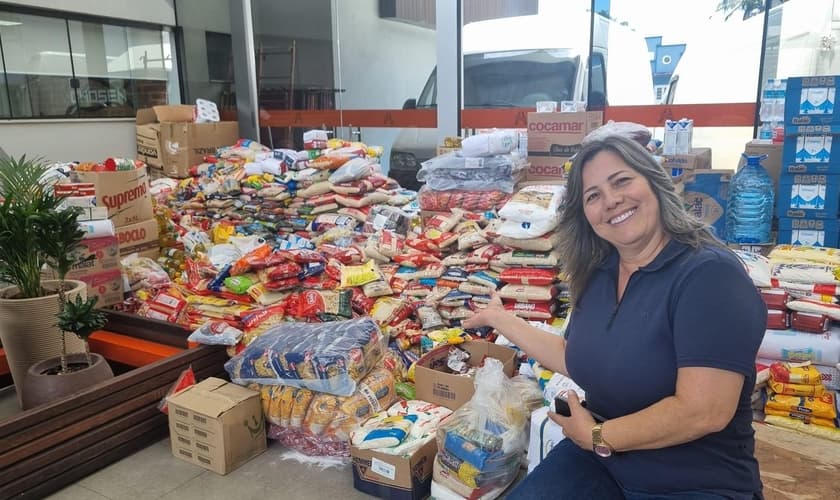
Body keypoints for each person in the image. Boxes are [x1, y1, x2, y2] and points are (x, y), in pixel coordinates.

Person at [463, 134, 767, 499]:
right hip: (603, 464)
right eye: (593, 196)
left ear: (654, 183)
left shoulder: (708, 275)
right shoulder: (599, 273)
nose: (611, 201)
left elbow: (704, 411)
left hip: (693, 478)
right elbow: (578, 357)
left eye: (622, 181)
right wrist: (502, 320)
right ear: (585, 216)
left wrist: (596, 436)